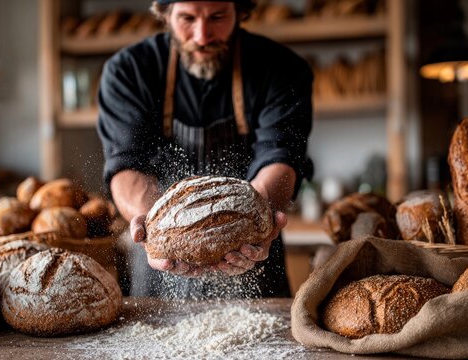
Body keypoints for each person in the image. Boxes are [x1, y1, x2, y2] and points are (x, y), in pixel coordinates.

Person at [97, 0, 313, 299]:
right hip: (160, 274)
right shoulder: (129, 72)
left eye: (218, 16)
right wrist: (155, 228)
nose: (202, 35)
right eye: (187, 18)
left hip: (252, 257)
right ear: (165, 14)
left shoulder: (282, 69)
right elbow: (125, 165)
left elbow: (280, 157)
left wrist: (257, 218)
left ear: (240, 12)